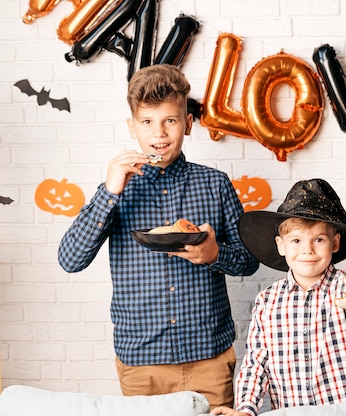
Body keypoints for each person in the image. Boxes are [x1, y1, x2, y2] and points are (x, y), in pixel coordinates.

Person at [57, 64, 259, 407]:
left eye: (170, 120)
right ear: (132, 126)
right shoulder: (116, 190)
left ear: (188, 123)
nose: (159, 133)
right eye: (148, 122)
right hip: (142, 362)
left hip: (209, 358)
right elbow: (70, 260)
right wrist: (110, 191)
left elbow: (250, 261)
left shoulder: (215, 184)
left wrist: (214, 254)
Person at [210, 178, 346, 416]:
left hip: (345, 411)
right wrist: (245, 408)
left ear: (334, 243)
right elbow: (256, 363)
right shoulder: (267, 301)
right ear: (281, 246)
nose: (307, 250)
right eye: (296, 240)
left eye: (319, 240)